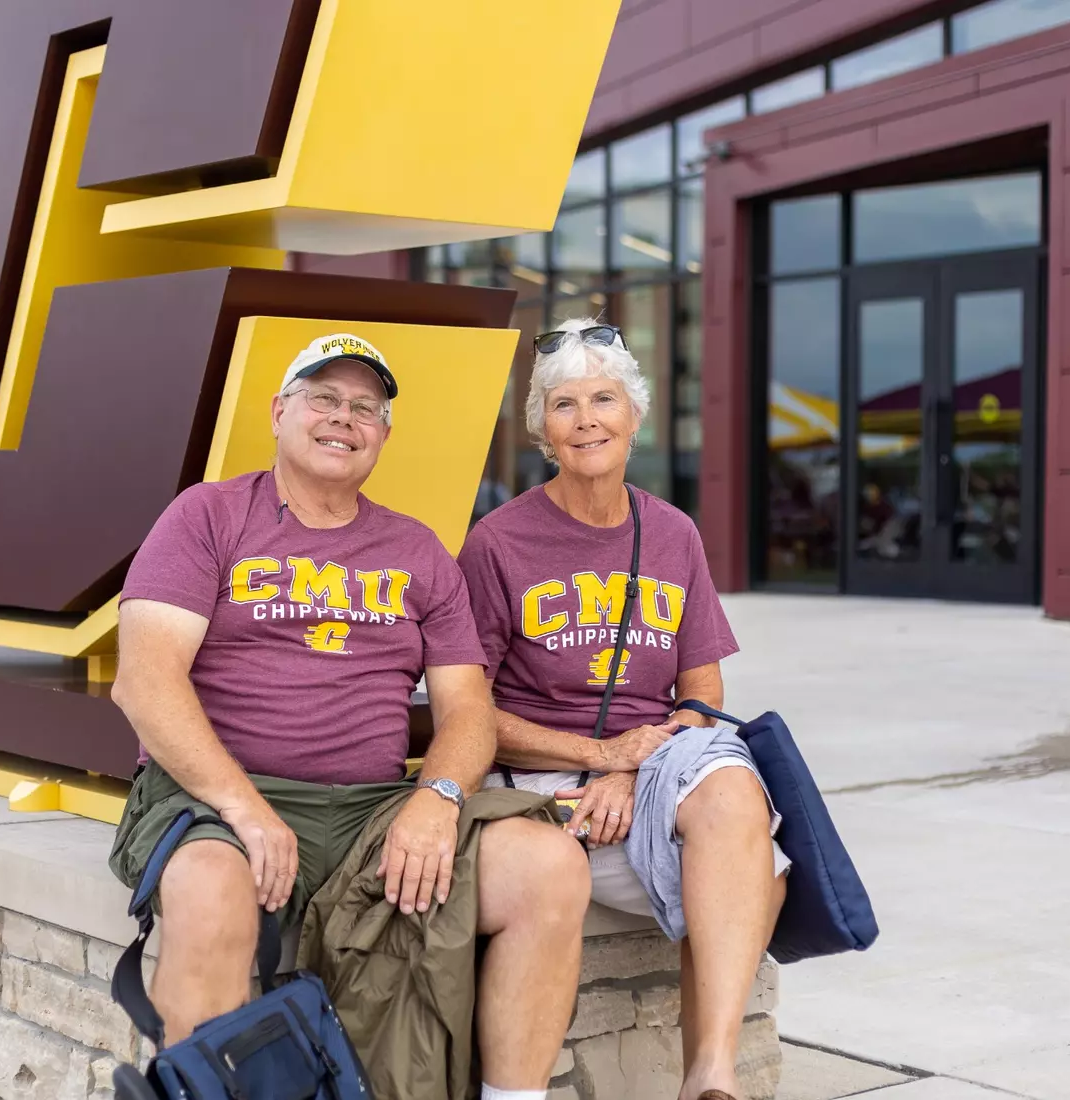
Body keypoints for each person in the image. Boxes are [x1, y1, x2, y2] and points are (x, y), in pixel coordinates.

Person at [108, 333, 590, 1100]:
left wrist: (437, 801)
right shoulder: (209, 515)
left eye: (365, 408)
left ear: (384, 435)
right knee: (207, 883)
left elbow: (468, 710)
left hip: (373, 812)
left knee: (549, 864)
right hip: (214, 800)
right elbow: (145, 681)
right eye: (323, 398)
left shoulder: (417, 550)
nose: (344, 418)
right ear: (279, 412)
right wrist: (245, 808)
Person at [457, 319, 789, 1100]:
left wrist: (632, 771)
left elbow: (703, 695)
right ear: (542, 427)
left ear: (634, 416)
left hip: (652, 766)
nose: (587, 420)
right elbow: (464, 708)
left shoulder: (673, 534)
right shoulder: (497, 543)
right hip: (544, 784)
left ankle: (709, 1079)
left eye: (604, 399)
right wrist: (596, 758)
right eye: (565, 404)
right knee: (759, 871)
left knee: (739, 798)